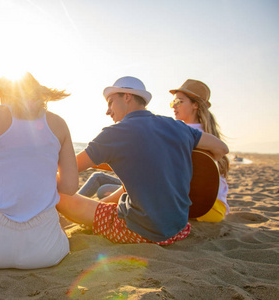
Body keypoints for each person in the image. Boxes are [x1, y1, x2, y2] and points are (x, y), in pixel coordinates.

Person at [56, 76, 229, 245]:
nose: (107, 110)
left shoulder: (115, 133)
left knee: (57, 192)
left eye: (110, 102)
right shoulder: (177, 126)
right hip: (178, 228)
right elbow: (221, 149)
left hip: (143, 230)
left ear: (127, 97)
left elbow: (70, 168)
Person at [0, 73, 78, 269]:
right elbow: (70, 187)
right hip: (46, 252)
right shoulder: (58, 123)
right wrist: (39, 181)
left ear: (3, 95)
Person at [170, 79, 230, 222]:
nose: (174, 106)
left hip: (198, 208)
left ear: (195, 105)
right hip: (217, 210)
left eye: (179, 102)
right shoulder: (208, 135)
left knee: (107, 184)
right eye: (172, 103)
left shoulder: (184, 132)